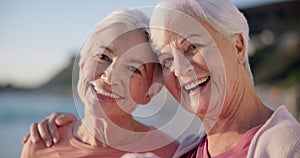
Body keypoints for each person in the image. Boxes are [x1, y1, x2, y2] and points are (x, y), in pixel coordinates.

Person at [24, 0, 300, 157]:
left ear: (238, 46)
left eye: (192, 47)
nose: (180, 70)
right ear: (82, 63)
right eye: (167, 60)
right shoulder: (185, 149)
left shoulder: (286, 145)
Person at [21, 8, 178, 158]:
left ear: (149, 93)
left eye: (132, 69)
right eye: (103, 57)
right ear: (82, 64)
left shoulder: (170, 152)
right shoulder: (39, 146)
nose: (109, 77)